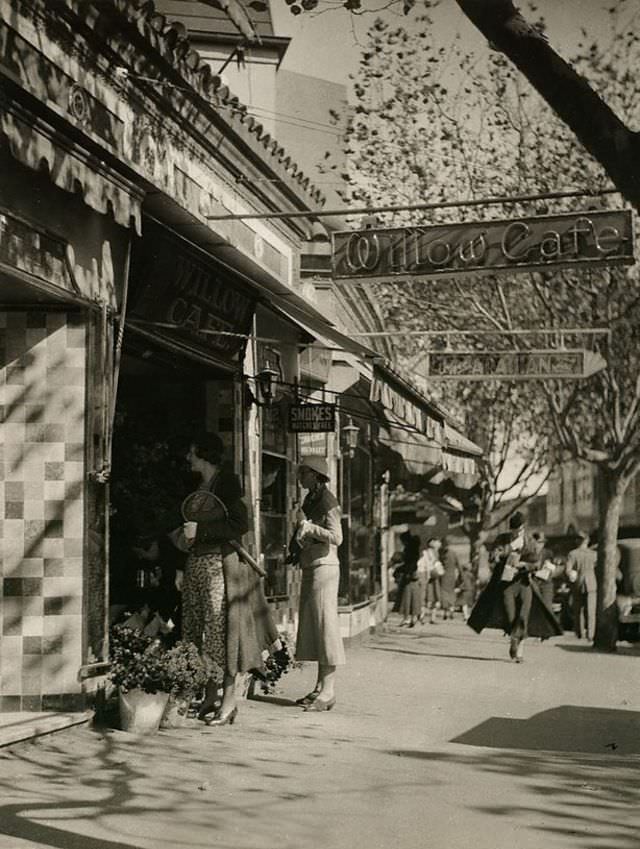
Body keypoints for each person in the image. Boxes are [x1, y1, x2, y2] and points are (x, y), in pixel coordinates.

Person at [173, 432, 279, 726]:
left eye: (191, 453)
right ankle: (209, 694)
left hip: (219, 564)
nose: (187, 458)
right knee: (196, 628)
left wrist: (202, 533)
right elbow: (183, 524)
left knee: (221, 632)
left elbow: (239, 524)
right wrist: (182, 561)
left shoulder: (227, 482)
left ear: (202, 453)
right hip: (195, 564)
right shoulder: (196, 485)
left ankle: (229, 700)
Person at [468, 512, 562, 662]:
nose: (516, 532)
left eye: (519, 530)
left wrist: (523, 565)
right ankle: (514, 640)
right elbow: (493, 556)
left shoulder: (529, 541)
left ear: (523, 528)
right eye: (514, 530)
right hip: (506, 584)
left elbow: (536, 563)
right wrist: (510, 547)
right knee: (510, 616)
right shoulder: (502, 539)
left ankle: (519, 652)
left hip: (524, 583)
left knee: (524, 616)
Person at [292, 456, 345, 712]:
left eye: (303, 473)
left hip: (325, 567)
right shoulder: (311, 498)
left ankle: (329, 690)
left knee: (326, 627)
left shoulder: (327, 501)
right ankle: (319, 687)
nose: (300, 477)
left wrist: (310, 529)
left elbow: (337, 537)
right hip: (312, 565)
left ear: (315, 474)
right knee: (315, 627)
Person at [566, 530, 597, 641]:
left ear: (577, 541)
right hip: (592, 583)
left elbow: (568, 570)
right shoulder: (594, 554)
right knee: (591, 610)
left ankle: (579, 633)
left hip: (578, 583)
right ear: (587, 541)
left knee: (578, 609)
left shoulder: (572, 554)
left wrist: (571, 576)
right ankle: (591, 634)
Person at [395, 531, 422, 627]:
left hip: (409, 577)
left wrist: (399, 570)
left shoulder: (409, 550)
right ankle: (413, 618)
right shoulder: (415, 549)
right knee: (414, 599)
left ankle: (406, 618)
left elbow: (408, 564)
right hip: (414, 577)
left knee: (406, 598)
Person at [420, 537, 443, 624]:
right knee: (429, 597)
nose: (439, 544)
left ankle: (431, 617)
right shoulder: (427, 552)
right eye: (437, 542)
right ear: (432, 543)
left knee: (432, 597)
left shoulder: (436, 553)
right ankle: (424, 616)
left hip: (433, 576)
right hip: (429, 576)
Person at [439, 537, 459, 621]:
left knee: (444, 593)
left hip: (444, 575)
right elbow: (458, 564)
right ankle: (451, 610)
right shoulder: (453, 553)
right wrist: (461, 575)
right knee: (451, 593)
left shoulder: (441, 553)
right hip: (452, 576)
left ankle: (445, 612)